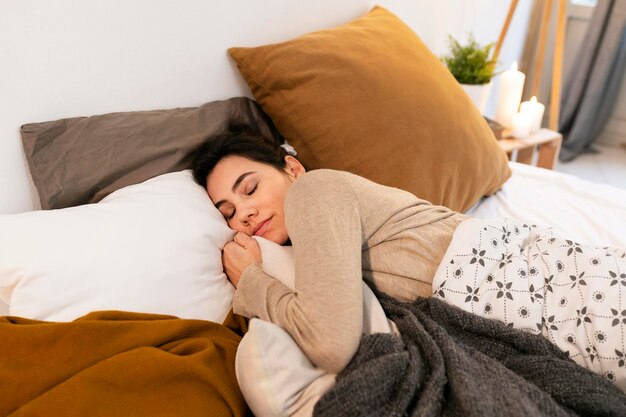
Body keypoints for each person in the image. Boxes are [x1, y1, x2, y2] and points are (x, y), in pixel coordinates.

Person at [192, 123, 467, 374]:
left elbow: (331, 345)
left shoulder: (313, 189)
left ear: (293, 169)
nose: (244, 213)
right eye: (229, 213)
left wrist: (251, 281)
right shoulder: (309, 247)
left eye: (250, 189)